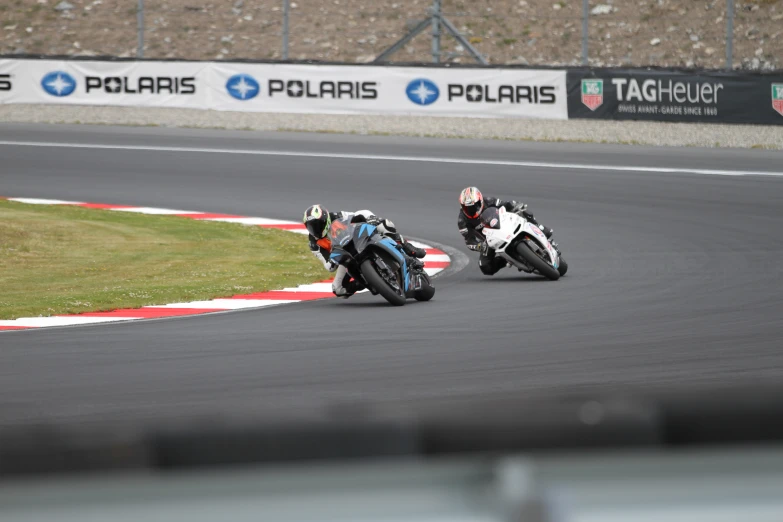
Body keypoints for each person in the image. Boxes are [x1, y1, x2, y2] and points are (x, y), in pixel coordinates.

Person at [303, 205, 426, 298]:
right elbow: (328, 266)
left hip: (358, 239)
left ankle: (407, 247)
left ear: (325, 219)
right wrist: (332, 261)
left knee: (384, 224)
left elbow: (357, 215)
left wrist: (370, 219)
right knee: (337, 289)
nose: (315, 229)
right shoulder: (314, 243)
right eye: (310, 226)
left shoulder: (336, 216)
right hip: (344, 255)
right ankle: (364, 282)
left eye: (317, 224)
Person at [457, 186, 555, 276]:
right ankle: (506, 259)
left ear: (480, 200)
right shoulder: (462, 221)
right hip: (489, 241)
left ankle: (539, 228)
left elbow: (505, 204)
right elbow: (469, 241)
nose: (472, 210)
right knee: (485, 267)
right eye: (467, 208)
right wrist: (479, 246)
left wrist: (515, 205)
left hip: (504, 225)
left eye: (475, 206)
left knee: (524, 212)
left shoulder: (489, 200)